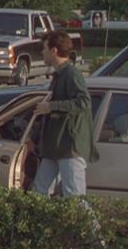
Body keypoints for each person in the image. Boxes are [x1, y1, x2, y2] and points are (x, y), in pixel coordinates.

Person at [32, 30, 98, 197]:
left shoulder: (71, 74)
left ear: (54, 50)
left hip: (70, 148)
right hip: (54, 148)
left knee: (74, 198)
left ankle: (91, 225)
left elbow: (84, 102)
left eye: (45, 48)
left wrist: (52, 106)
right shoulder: (58, 76)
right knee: (39, 192)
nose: (42, 52)